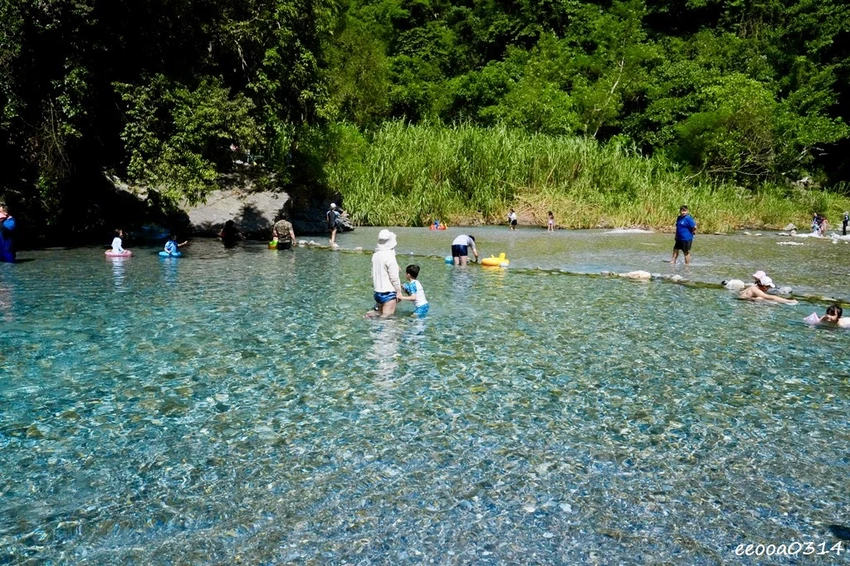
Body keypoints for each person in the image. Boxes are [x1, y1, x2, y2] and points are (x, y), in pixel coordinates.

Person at [367, 230, 403, 318]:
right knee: (387, 318)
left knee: (379, 313)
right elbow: (394, 277)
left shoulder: (375, 255)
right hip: (389, 293)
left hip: (377, 292)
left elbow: (372, 274)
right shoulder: (390, 256)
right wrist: (399, 292)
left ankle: (369, 316)